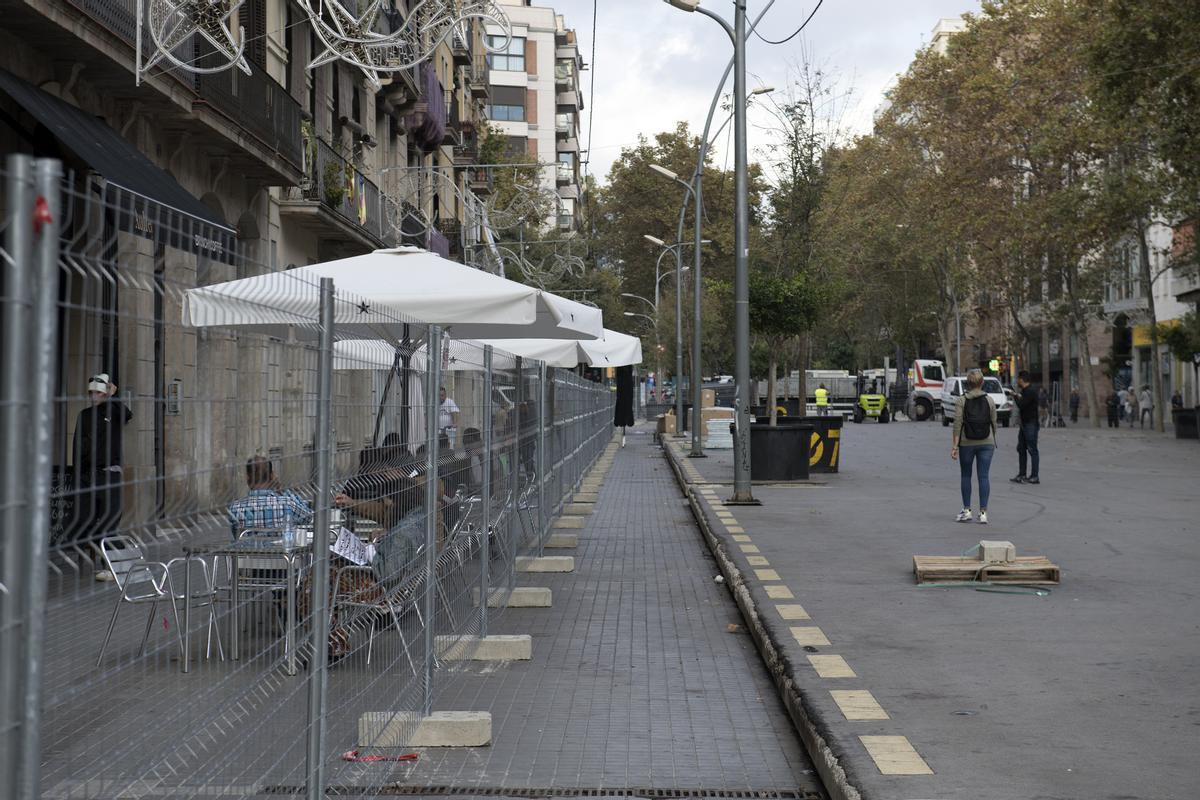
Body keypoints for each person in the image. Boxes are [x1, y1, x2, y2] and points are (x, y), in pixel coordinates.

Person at [73, 373, 133, 579]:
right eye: (92, 392)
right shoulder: (85, 415)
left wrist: (113, 396)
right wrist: (79, 475)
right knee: (90, 521)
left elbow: (126, 415)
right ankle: (113, 563)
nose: (94, 396)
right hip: (90, 476)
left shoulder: (113, 412)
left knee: (110, 521)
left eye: (99, 392)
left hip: (110, 474)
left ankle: (118, 564)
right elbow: (78, 446)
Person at [227, 456, 312, 539]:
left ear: (247, 477)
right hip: (281, 552)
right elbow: (308, 517)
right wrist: (282, 491)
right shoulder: (288, 504)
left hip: (249, 552)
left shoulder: (235, 508)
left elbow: (237, 536)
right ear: (272, 476)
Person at [951, 369, 997, 524]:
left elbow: (957, 424)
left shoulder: (961, 400)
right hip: (987, 441)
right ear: (982, 382)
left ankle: (967, 510)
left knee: (966, 475)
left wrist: (955, 446)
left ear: (967, 383)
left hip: (967, 442)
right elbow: (994, 422)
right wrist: (993, 438)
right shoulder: (989, 400)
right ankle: (983, 512)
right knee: (984, 476)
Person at [1011, 371, 1040, 485]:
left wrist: (1014, 396)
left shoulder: (1031, 391)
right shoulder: (1025, 391)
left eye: (1018, 379)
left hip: (1030, 424)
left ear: (1022, 380)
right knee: (1021, 448)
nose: (1017, 381)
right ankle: (1022, 474)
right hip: (1024, 424)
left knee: (1032, 449)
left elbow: (1022, 404)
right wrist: (1017, 395)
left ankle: (1034, 476)